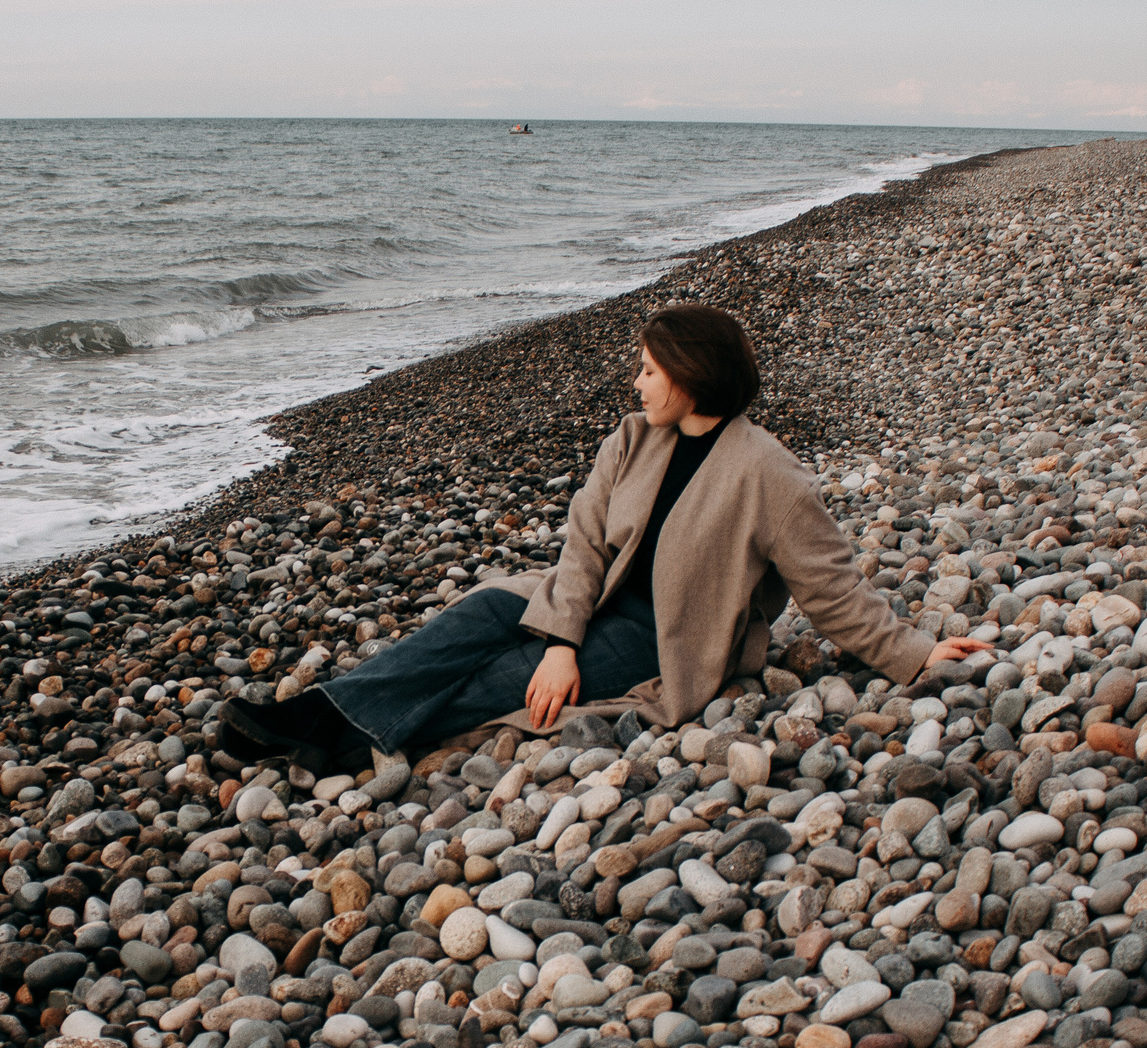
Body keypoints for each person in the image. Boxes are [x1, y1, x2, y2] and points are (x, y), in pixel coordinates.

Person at [220, 303, 990, 771]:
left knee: (513, 682)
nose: (638, 382)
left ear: (691, 374)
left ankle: (340, 742)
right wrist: (563, 634)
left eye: (651, 369)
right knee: (476, 617)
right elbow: (585, 539)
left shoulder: (769, 475)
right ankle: (325, 715)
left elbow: (833, 588)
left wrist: (915, 654)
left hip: (664, 637)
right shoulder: (632, 437)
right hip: (587, 602)